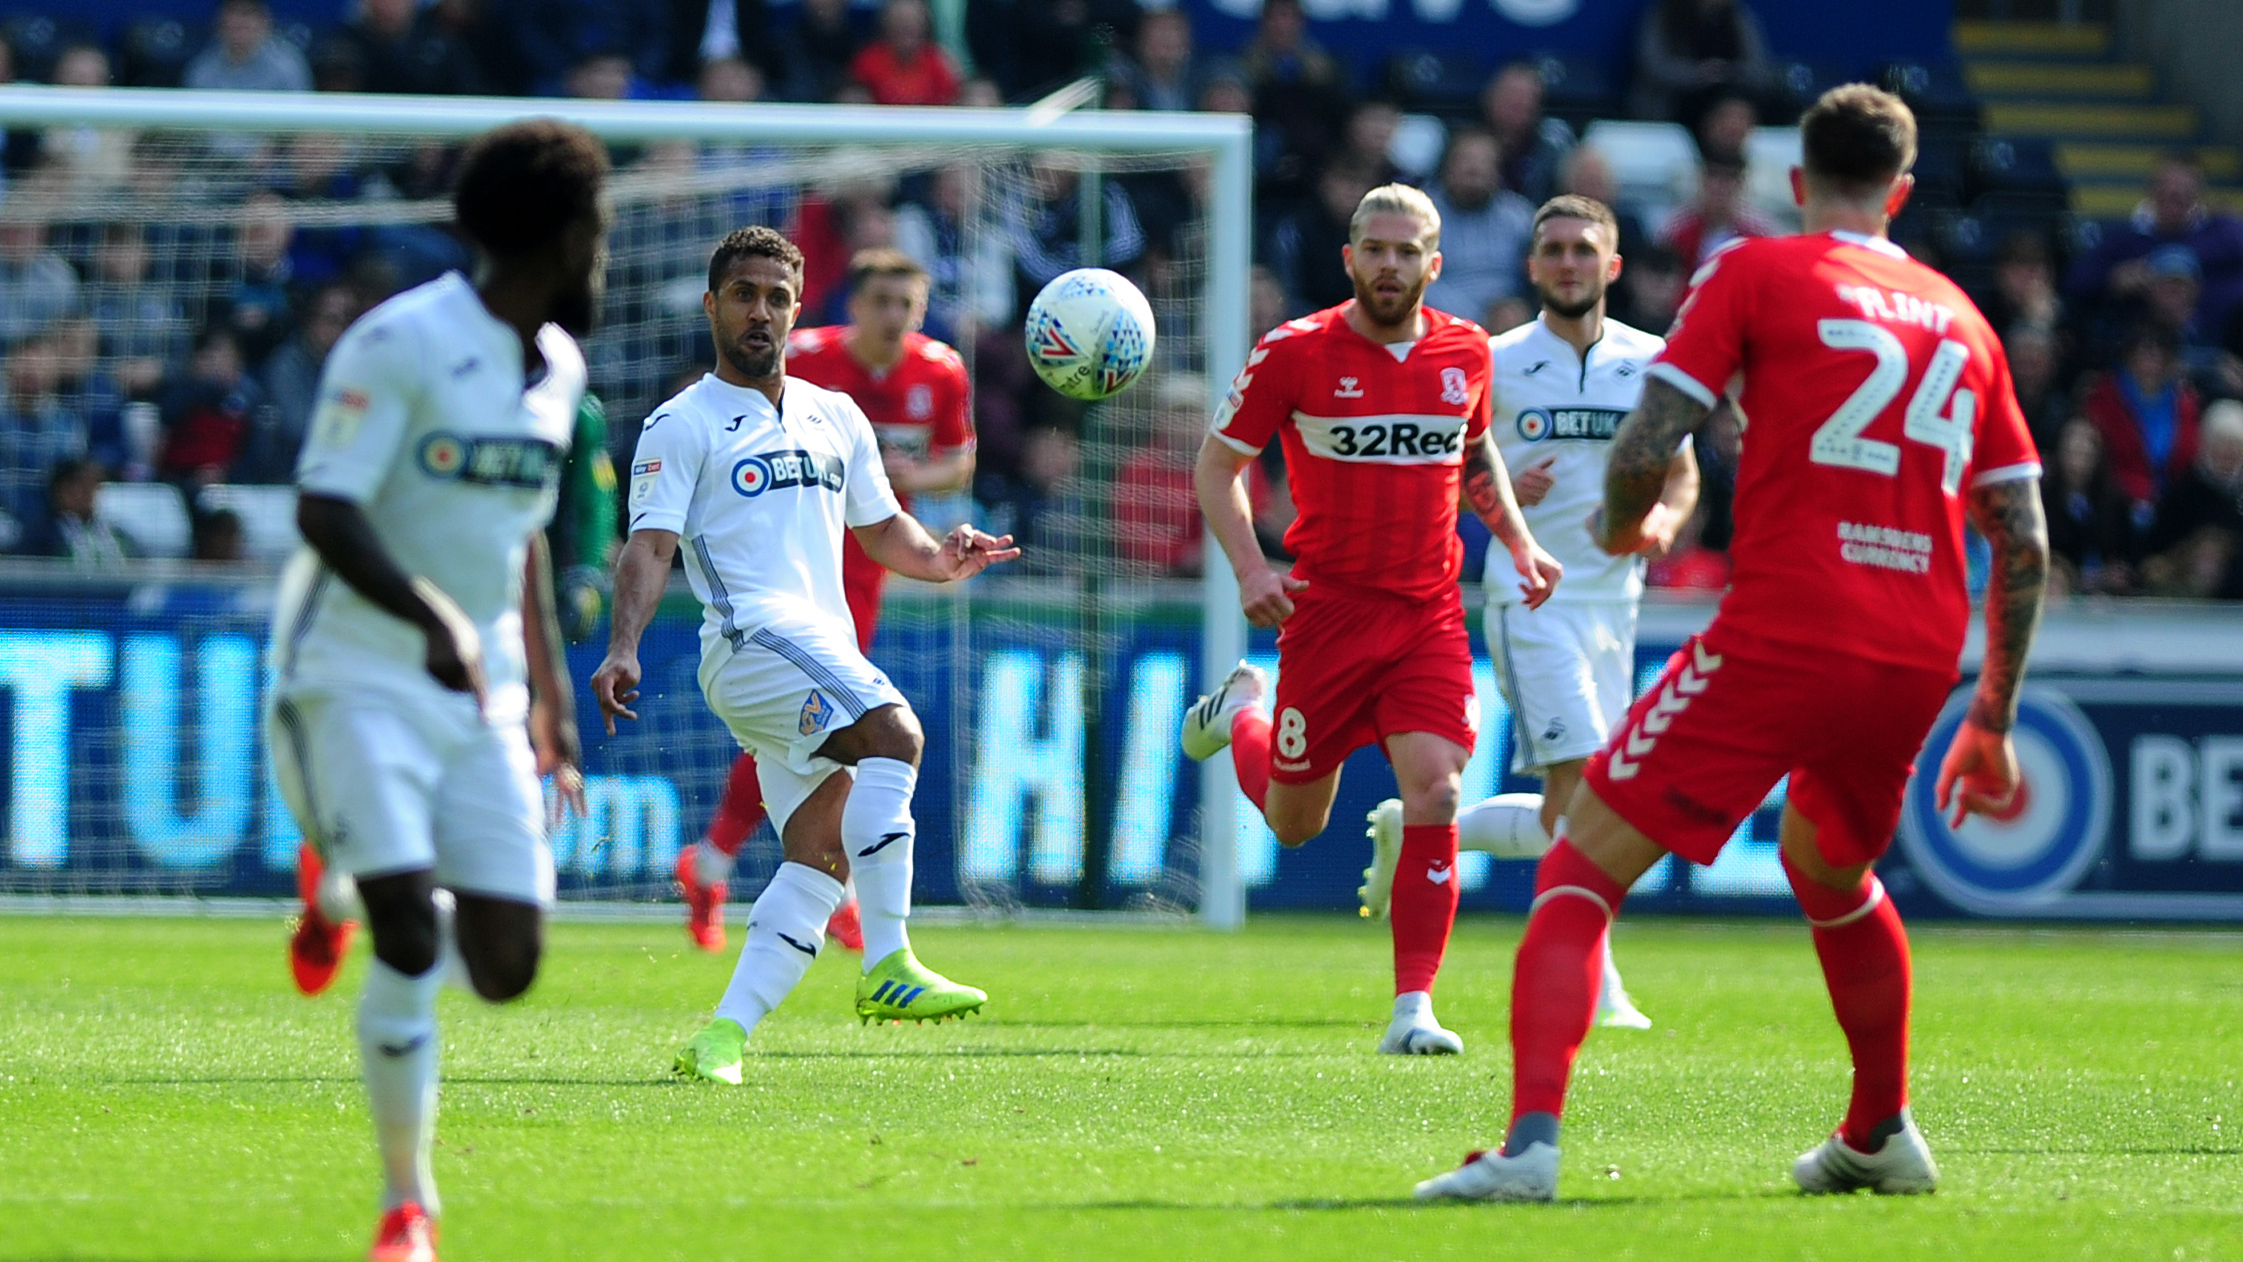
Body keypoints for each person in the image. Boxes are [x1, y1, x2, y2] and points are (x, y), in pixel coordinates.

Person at [1416, 84, 2048, 1203]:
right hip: (1915, 650)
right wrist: (1989, 717)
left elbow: (1650, 439)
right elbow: (2026, 537)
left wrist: (1618, 527)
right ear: (1898, 192)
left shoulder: (1757, 270)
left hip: (1787, 625)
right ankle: (1878, 1128)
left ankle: (1525, 1150)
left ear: (1797, 184)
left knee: (1578, 867)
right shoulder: (1962, 313)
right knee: (1830, 869)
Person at [269, 119, 605, 1261]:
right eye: (595, 228)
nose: (600, 250)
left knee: (508, 965)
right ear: (561, 236)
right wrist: (429, 619)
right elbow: (325, 502)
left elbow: (519, 548)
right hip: (361, 668)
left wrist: (546, 702)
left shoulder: (560, 369)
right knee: (415, 934)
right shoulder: (399, 340)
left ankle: (340, 894)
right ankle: (406, 1205)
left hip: (488, 694)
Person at [594, 226, 1015, 1087]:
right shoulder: (682, 422)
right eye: (743, 294)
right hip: (751, 638)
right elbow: (647, 546)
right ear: (713, 306)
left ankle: (721, 1040)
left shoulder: (837, 415)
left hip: (806, 644)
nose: (760, 312)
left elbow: (882, 526)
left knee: (818, 854)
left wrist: (939, 558)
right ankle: (890, 962)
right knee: (896, 735)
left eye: (776, 297)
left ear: (796, 310)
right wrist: (622, 644)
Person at [1180, 183, 1562, 1057]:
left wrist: (1519, 539)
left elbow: (1472, 454)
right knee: (1293, 823)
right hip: (1327, 615)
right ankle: (1241, 707)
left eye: (1407, 251)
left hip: (1427, 615)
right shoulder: (1295, 352)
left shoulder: (1465, 350)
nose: (1390, 265)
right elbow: (1215, 467)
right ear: (1349, 258)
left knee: (1435, 791)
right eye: (1374, 249)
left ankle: (1413, 1008)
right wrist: (1248, 567)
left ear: (1435, 262)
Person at [1359, 193, 1700, 1033]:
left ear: (1612, 266)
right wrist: (1500, 491)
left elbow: (1681, 470)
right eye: (1552, 249)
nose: (1568, 263)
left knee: (1577, 814)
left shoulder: (1650, 361)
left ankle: (1427, 832)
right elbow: (1445, 468)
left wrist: (1661, 520)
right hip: (1530, 598)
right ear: (1532, 265)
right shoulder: (1495, 361)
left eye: (1584, 249)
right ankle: (1599, 983)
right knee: (1586, 791)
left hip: (1613, 608)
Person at [673, 247, 974, 954]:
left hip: (866, 562)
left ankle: (721, 865)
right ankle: (834, 899)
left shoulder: (940, 371)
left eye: (909, 305)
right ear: (853, 307)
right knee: (840, 726)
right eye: (882, 303)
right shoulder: (802, 359)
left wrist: (914, 475)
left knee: (820, 729)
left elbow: (960, 458)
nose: (895, 317)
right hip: (787, 564)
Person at [1425, 129, 1536, 330]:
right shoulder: (1419, 215)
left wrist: (1520, 308)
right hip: (1437, 325)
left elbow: (1538, 279)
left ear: (1498, 171)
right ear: (1446, 166)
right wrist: (1472, 320)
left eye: (1485, 161)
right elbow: (1411, 281)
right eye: (1465, 160)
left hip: (1507, 326)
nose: (1474, 169)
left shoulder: (1521, 218)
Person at [2081, 323, 2200, 510]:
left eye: (2157, 353)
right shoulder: (2103, 397)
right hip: (2114, 503)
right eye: (2142, 352)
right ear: (2128, 357)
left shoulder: (2186, 402)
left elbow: (2189, 458)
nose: (2149, 361)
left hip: (2173, 504)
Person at [1629, 0, 1771, 124]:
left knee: (1734, 106)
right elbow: (1654, 66)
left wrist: (1727, 71)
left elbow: (1758, 68)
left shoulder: (1738, 18)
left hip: (1726, 95)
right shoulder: (1665, 15)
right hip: (1675, 103)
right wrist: (1699, 73)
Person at [1658, 148, 1779, 268]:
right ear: (1701, 179)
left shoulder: (1758, 232)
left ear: (1741, 183)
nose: (1720, 186)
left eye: (1730, 177)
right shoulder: (1676, 228)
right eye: (1713, 175)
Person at [1483, 62, 1577, 207]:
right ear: (1489, 98)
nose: (1517, 103)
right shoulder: (1466, 146)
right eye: (1510, 95)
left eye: (1525, 97)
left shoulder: (1553, 149)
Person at [184, 0, 313, 93]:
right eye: (233, 13)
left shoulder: (288, 67)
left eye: (248, 13)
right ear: (219, 21)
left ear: (265, 21)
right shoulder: (201, 70)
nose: (240, 22)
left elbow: (304, 125)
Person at [850, 0, 960, 107]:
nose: (906, 28)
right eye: (900, 22)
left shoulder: (939, 62)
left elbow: (950, 104)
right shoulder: (867, 62)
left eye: (912, 22)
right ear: (886, 24)